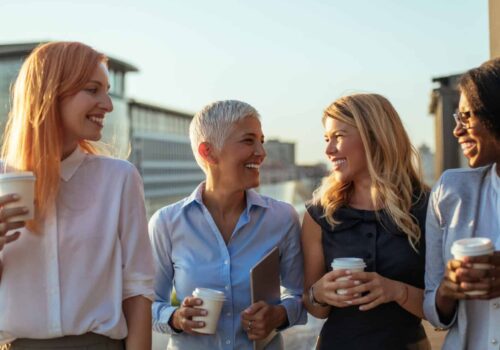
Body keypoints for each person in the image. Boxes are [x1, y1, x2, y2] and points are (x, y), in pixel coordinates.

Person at [0, 42, 154, 350]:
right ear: (50, 92)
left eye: (107, 90)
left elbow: (138, 290)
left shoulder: (119, 178)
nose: (108, 105)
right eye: (93, 89)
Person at [149, 100, 306, 349]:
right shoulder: (166, 223)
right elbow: (147, 305)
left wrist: (279, 315)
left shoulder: (282, 218)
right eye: (248, 140)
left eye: (261, 141)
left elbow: (299, 295)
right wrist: (176, 318)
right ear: (208, 152)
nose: (261, 152)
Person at [302, 93, 430, 349]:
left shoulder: (428, 206)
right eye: (327, 139)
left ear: (375, 136)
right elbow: (315, 309)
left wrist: (396, 291)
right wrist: (318, 293)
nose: (328, 150)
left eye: (338, 137)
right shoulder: (319, 214)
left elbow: (444, 308)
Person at [424, 58, 500, 350]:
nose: (457, 131)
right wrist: (448, 288)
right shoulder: (450, 191)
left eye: (466, 117)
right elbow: (434, 312)